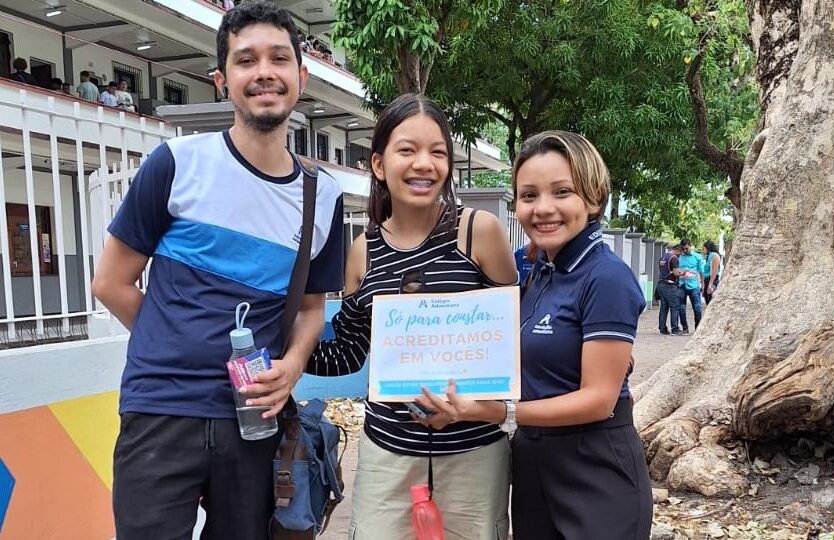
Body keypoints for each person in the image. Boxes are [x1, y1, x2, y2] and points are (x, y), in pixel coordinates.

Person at [91, 2, 344, 538]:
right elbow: (110, 282)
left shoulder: (323, 197)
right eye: (245, 60)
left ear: (301, 76)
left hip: (254, 420)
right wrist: (173, 344)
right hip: (160, 411)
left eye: (279, 58)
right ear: (222, 80)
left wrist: (293, 367)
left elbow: (311, 309)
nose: (264, 73)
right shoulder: (177, 164)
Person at [418, 131, 652, 539]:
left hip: (596, 471)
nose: (543, 209)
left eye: (562, 192)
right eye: (528, 196)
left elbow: (598, 400)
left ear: (593, 198)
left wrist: (495, 412)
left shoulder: (607, 278)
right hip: (533, 470)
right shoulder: (538, 271)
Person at [304, 93, 518, 540]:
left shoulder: (479, 232)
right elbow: (346, 353)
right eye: (408, 150)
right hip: (388, 455)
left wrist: (478, 409)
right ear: (379, 164)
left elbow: (511, 347)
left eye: (437, 152)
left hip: (473, 454)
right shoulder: (364, 250)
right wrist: (277, 344)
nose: (424, 163)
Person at [677, 238, 703, 333]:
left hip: (694, 285)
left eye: (687, 248)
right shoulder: (679, 257)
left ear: (690, 246)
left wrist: (703, 284)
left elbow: (701, 271)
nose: (685, 251)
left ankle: (698, 328)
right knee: (681, 308)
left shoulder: (697, 257)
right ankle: (685, 327)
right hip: (682, 284)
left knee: (697, 307)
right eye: (683, 249)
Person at [657, 244, 683, 335]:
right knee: (675, 306)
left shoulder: (663, 257)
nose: (680, 255)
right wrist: (683, 273)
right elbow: (676, 273)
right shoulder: (674, 258)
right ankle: (675, 329)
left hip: (661, 284)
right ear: (677, 251)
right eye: (680, 253)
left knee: (664, 307)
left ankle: (662, 328)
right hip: (670, 285)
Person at [702, 240, 722, 305]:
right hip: (707, 279)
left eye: (703, 249)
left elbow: (714, 270)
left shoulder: (714, 255)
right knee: (707, 299)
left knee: (710, 300)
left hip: (712, 279)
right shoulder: (709, 256)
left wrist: (710, 283)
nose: (702, 251)